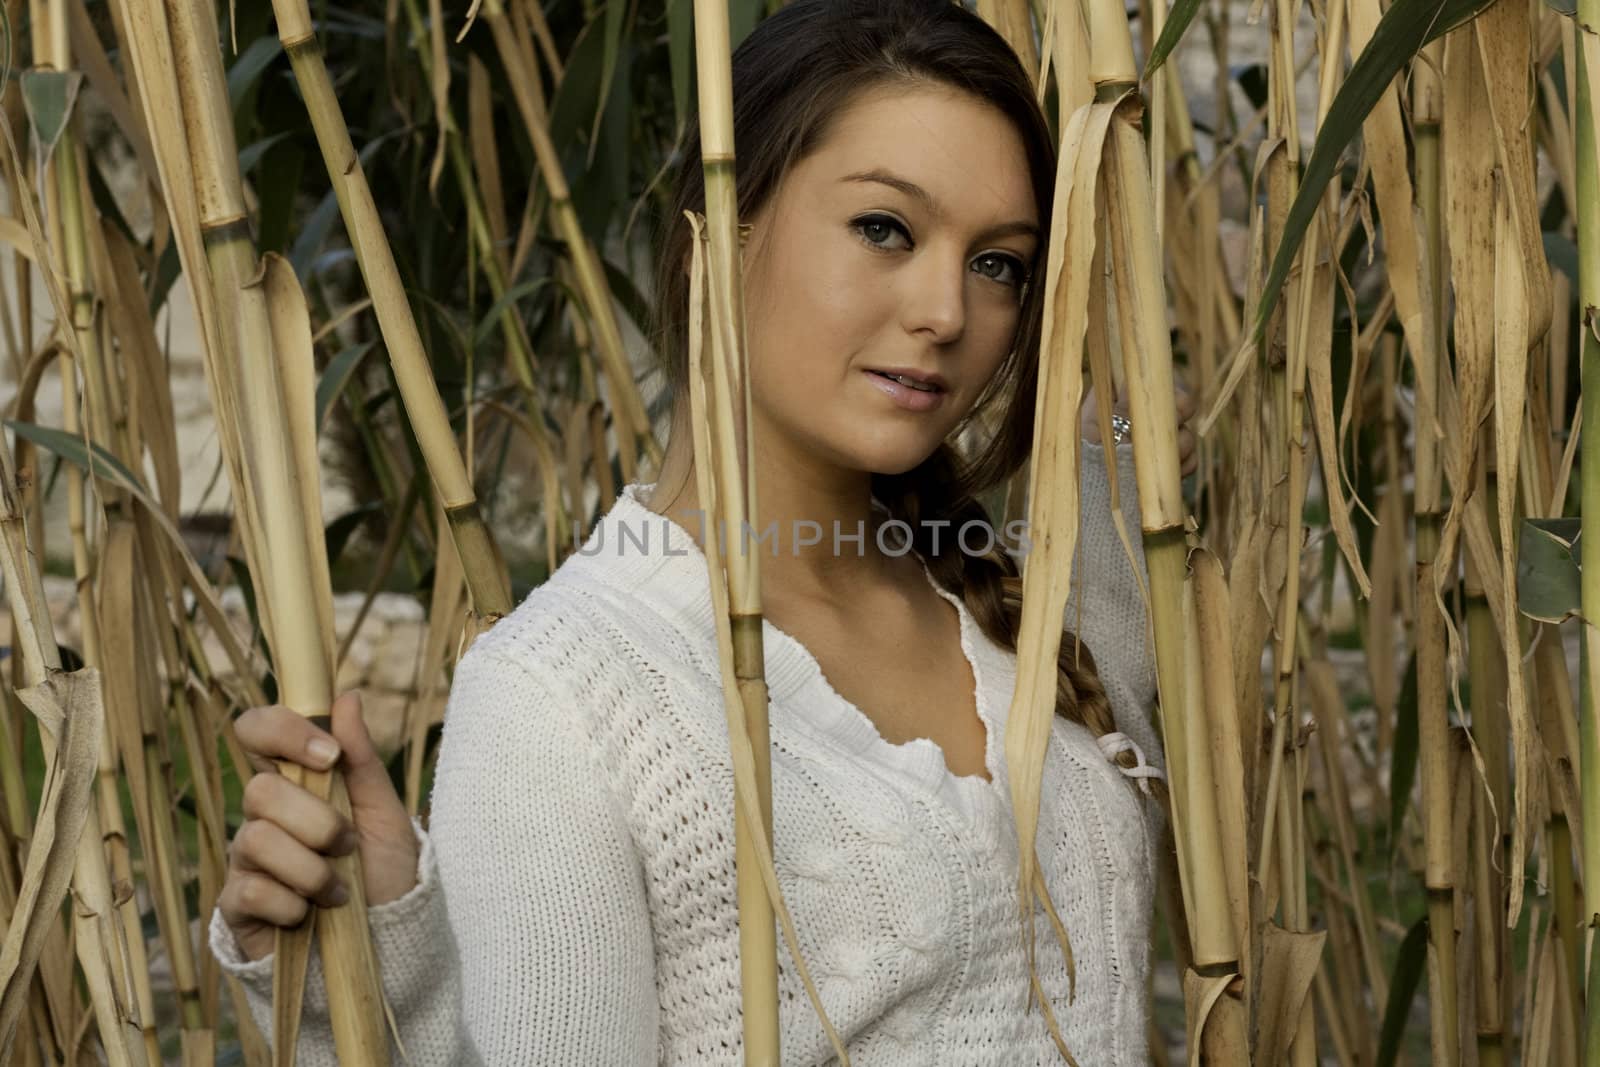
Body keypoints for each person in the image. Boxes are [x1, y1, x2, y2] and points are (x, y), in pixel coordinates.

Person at [210, 0, 1199, 1062]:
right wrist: (386, 983)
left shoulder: (1022, 609)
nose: (946, 311)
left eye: (997, 262)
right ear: (720, 229)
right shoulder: (565, 696)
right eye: (884, 229)